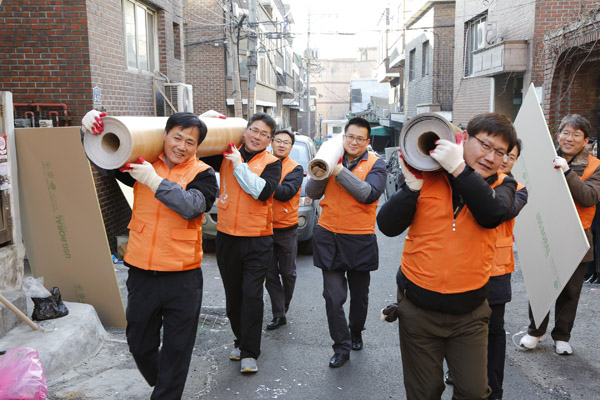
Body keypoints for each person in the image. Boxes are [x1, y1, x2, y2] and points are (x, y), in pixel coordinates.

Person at [377, 112, 517, 399]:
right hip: (417, 307)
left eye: (500, 152)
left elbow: (491, 214)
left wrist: (459, 169)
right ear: (464, 139)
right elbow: (387, 226)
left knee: (473, 391)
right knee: (424, 392)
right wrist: (411, 189)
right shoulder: (426, 174)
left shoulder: (505, 185)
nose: (491, 157)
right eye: (485, 145)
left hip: (470, 314)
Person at [81, 110, 218, 400]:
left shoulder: (203, 175)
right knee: (139, 344)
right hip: (142, 274)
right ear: (164, 136)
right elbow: (103, 153)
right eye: (177, 137)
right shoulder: (139, 164)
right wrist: (89, 129)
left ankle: (167, 392)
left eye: (190, 142)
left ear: (198, 147)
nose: (181, 146)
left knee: (177, 349)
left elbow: (192, 206)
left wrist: (154, 181)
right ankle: (166, 384)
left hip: (183, 279)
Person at [306, 117, 387, 368]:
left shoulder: (377, 164)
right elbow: (312, 192)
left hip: (359, 239)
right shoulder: (332, 157)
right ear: (344, 137)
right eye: (350, 137)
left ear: (367, 141)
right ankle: (340, 346)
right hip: (328, 236)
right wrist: (324, 168)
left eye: (359, 138)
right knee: (332, 296)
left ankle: (356, 330)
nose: (354, 142)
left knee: (359, 296)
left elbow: (368, 194)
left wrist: (339, 171)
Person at [520, 114, 600, 355]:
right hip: (545, 228)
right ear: (558, 134)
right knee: (540, 285)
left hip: (577, 235)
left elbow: (589, 197)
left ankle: (562, 336)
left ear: (585, 140)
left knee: (571, 290)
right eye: (566, 132)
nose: (569, 138)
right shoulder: (543, 157)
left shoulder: (595, 166)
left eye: (576, 135)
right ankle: (536, 331)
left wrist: (567, 172)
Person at [215, 113, 282, 373]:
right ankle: (240, 340)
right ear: (245, 131)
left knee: (252, 296)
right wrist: (209, 118)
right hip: (226, 237)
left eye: (264, 134)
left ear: (270, 140)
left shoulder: (272, 162)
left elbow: (262, 191)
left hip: (257, 239)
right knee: (234, 296)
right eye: (254, 130)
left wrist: (238, 165)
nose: (257, 137)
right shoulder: (224, 153)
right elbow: (195, 143)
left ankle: (250, 352)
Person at [487, 139, 528, 400]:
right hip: (464, 266)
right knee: (459, 326)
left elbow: (500, 212)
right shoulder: (470, 179)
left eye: (511, 157)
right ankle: (458, 373)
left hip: (496, 270)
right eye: (501, 154)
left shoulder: (519, 189)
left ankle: (494, 390)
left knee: (494, 330)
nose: (504, 160)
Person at [265, 130, 304, 330]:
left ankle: (283, 305)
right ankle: (278, 313)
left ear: (291, 147)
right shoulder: (262, 162)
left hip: (287, 228)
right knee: (270, 274)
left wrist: (264, 183)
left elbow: (285, 193)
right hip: (264, 228)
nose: (281, 145)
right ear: (271, 142)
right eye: (278, 141)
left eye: (286, 142)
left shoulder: (296, 169)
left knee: (288, 273)